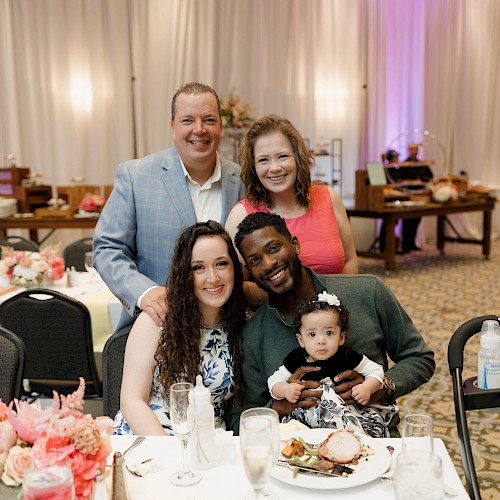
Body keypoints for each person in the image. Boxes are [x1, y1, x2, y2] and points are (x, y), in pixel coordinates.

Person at [229, 212, 435, 437]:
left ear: (295, 245)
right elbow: (241, 417)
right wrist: (278, 407)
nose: (268, 264)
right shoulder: (253, 335)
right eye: (255, 260)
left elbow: (419, 358)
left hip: (374, 445)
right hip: (295, 456)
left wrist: (380, 387)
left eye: (274, 248)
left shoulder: (367, 292)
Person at [93, 82, 245, 330]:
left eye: (208, 119)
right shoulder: (135, 176)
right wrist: (145, 292)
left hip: (230, 331)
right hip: (157, 328)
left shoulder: (242, 180)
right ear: (172, 127)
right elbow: (107, 249)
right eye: (187, 120)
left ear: (220, 127)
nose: (199, 129)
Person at [114, 221, 246, 435]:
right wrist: (170, 453)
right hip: (151, 438)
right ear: (185, 273)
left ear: (234, 267)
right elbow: (131, 401)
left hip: (210, 444)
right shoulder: (158, 319)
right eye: (198, 267)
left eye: (221, 263)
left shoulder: (240, 323)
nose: (212, 278)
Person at [225, 114, 358, 279]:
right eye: (263, 160)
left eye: (282, 156)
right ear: (254, 167)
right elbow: (236, 284)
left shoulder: (330, 198)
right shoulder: (241, 215)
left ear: (297, 158)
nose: (274, 168)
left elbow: (350, 262)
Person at [268, 292, 397, 437]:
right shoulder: (296, 359)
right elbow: (273, 381)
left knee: (362, 432)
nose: (321, 340)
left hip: (345, 414)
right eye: (312, 334)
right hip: (309, 417)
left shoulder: (346, 356)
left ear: (341, 337)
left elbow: (376, 371)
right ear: (301, 340)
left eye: (329, 333)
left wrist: (367, 387)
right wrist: (285, 390)